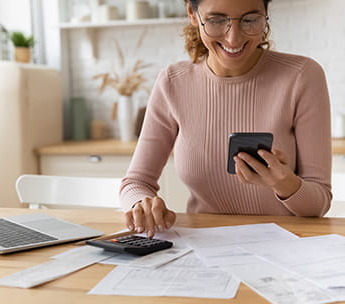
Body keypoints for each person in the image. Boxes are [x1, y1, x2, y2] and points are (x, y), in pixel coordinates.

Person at [120, 0, 332, 238]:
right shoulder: (173, 82)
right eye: (217, 20)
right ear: (193, 13)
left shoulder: (302, 76)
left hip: (286, 245)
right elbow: (136, 183)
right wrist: (141, 204)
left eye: (250, 20)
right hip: (204, 246)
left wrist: (284, 182)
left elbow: (319, 203)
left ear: (265, 15)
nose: (233, 39)